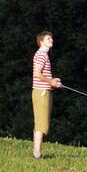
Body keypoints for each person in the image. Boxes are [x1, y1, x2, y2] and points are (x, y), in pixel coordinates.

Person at [31, 30, 61, 159]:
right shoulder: (41, 55)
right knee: (41, 124)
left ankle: (37, 153)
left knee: (43, 123)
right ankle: (36, 154)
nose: (51, 40)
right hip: (41, 92)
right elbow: (37, 73)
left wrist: (53, 81)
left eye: (51, 38)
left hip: (45, 91)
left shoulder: (44, 55)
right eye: (48, 39)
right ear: (41, 41)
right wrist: (51, 81)